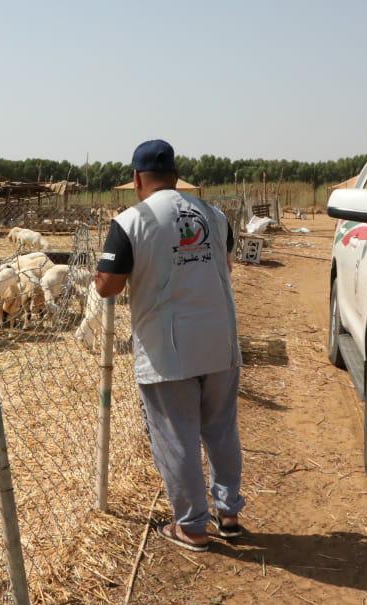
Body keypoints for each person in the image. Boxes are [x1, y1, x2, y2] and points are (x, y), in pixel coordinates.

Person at [95, 139, 244, 552]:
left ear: (137, 178)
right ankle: (228, 512)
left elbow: (108, 287)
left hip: (169, 350)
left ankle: (192, 527)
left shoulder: (131, 220)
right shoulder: (214, 216)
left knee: (177, 436)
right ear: (177, 178)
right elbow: (225, 265)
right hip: (220, 342)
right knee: (221, 428)